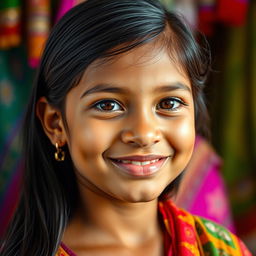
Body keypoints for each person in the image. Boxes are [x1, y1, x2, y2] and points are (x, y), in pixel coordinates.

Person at [0, 0, 252, 255]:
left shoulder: (221, 248)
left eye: (169, 103)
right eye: (108, 105)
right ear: (56, 124)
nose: (144, 134)